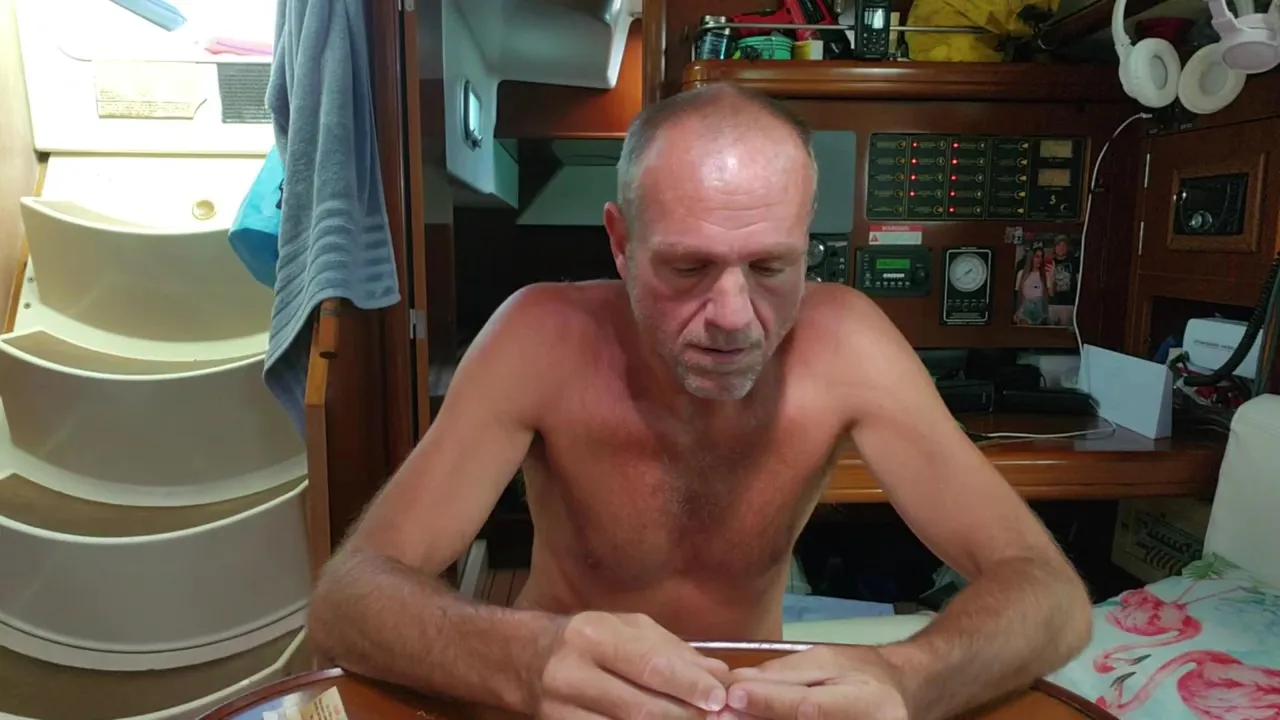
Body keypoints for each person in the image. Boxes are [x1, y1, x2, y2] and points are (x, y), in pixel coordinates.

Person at [308, 84, 1092, 720]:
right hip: (564, 704)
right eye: (687, 269)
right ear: (621, 243)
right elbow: (349, 597)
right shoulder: (538, 338)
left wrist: (911, 677)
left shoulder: (848, 345)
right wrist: (526, 659)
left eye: (771, 267)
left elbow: (1050, 594)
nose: (732, 317)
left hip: (741, 704)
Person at [1014, 246, 1049, 326]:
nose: (1040, 259)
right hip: (1025, 310)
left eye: (1041, 257)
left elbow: (1050, 294)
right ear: (1031, 258)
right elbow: (1017, 295)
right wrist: (1017, 311)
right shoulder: (1021, 274)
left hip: (1040, 311)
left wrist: (1051, 275)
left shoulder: (1044, 275)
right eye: (1037, 257)